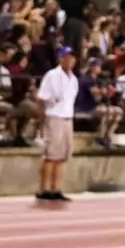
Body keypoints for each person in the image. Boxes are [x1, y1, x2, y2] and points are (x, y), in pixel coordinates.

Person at [35, 46, 79, 202]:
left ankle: (56, 188)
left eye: (72, 57)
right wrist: (41, 120)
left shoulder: (73, 79)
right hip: (54, 116)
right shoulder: (52, 75)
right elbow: (41, 97)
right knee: (51, 155)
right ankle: (43, 189)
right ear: (60, 58)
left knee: (62, 156)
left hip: (67, 117)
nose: (70, 60)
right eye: (66, 57)